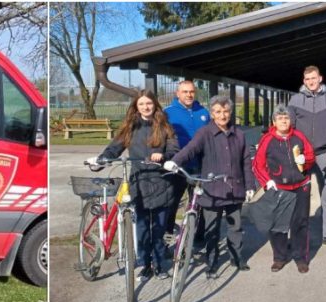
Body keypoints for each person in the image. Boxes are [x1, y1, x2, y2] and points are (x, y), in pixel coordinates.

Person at [91, 90, 180, 280]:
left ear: (155, 105)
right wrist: (102, 160)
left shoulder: (165, 127)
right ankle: (145, 263)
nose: (146, 107)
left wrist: (163, 156)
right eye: (141, 104)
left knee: (159, 227)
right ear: (136, 107)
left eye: (149, 103)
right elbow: (115, 147)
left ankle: (159, 265)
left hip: (161, 182)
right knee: (141, 226)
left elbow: (174, 148)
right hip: (138, 181)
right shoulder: (131, 127)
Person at [165, 94, 256, 277]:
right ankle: (212, 262)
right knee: (212, 229)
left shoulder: (239, 134)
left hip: (234, 188)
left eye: (226, 111)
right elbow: (190, 150)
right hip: (212, 190)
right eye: (218, 112)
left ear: (230, 112)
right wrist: (175, 162)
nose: (222, 115)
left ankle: (236, 257)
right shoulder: (204, 133)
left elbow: (246, 161)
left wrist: (249, 185)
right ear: (212, 114)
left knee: (235, 227)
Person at [252, 105, 316, 273]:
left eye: (286, 118)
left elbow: (310, 156)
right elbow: (258, 165)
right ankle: (279, 257)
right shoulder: (267, 139)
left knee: (300, 223)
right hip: (279, 188)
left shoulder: (299, 136)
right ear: (274, 121)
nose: (283, 121)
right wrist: (267, 182)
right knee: (278, 225)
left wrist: (306, 160)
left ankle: (300, 257)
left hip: (301, 186)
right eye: (280, 118)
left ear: (291, 121)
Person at [288, 65, 326, 248]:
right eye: (307, 79)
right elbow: (290, 127)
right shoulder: (295, 100)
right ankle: (296, 236)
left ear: (320, 78)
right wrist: (296, 150)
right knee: (298, 196)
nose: (311, 82)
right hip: (302, 154)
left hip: (323, 153)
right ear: (304, 81)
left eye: (314, 78)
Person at [164, 80, 211, 241]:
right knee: (172, 202)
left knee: (200, 202)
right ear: (177, 94)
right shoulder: (168, 113)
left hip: (199, 165)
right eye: (185, 92)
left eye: (191, 91)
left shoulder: (203, 112)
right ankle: (167, 234)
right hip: (177, 166)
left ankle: (197, 236)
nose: (189, 95)